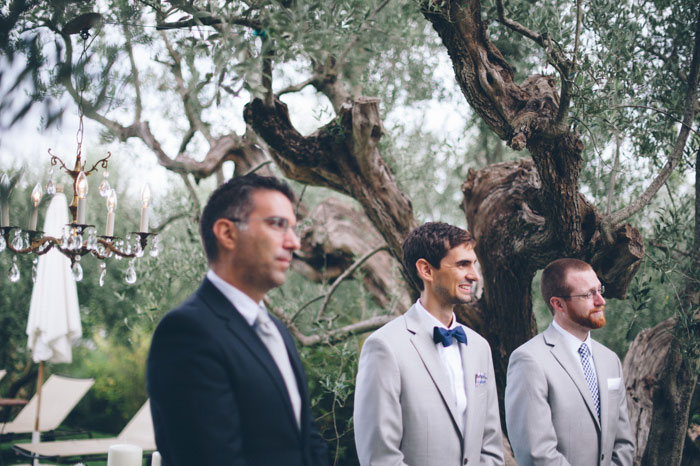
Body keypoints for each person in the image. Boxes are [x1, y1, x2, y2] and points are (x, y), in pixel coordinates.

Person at [147, 173, 328, 466]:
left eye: (293, 228)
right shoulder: (186, 334)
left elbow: (308, 440)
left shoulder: (277, 332)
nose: (294, 242)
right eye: (278, 224)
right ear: (228, 233)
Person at [353, 222, 504, 466]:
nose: (474, 275)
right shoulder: (384, 346)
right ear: (426, 270)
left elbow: (490, 444)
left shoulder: (479, 347)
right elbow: (380, 457)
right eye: (462, 264)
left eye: (473, 264)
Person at [505, 258, 634, 466]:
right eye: (588, 294)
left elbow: (623, 444)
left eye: (599, 290)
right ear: (558, 304)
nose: (601, 301)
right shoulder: (529, 360)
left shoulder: (610, 360)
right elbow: (536, 454)